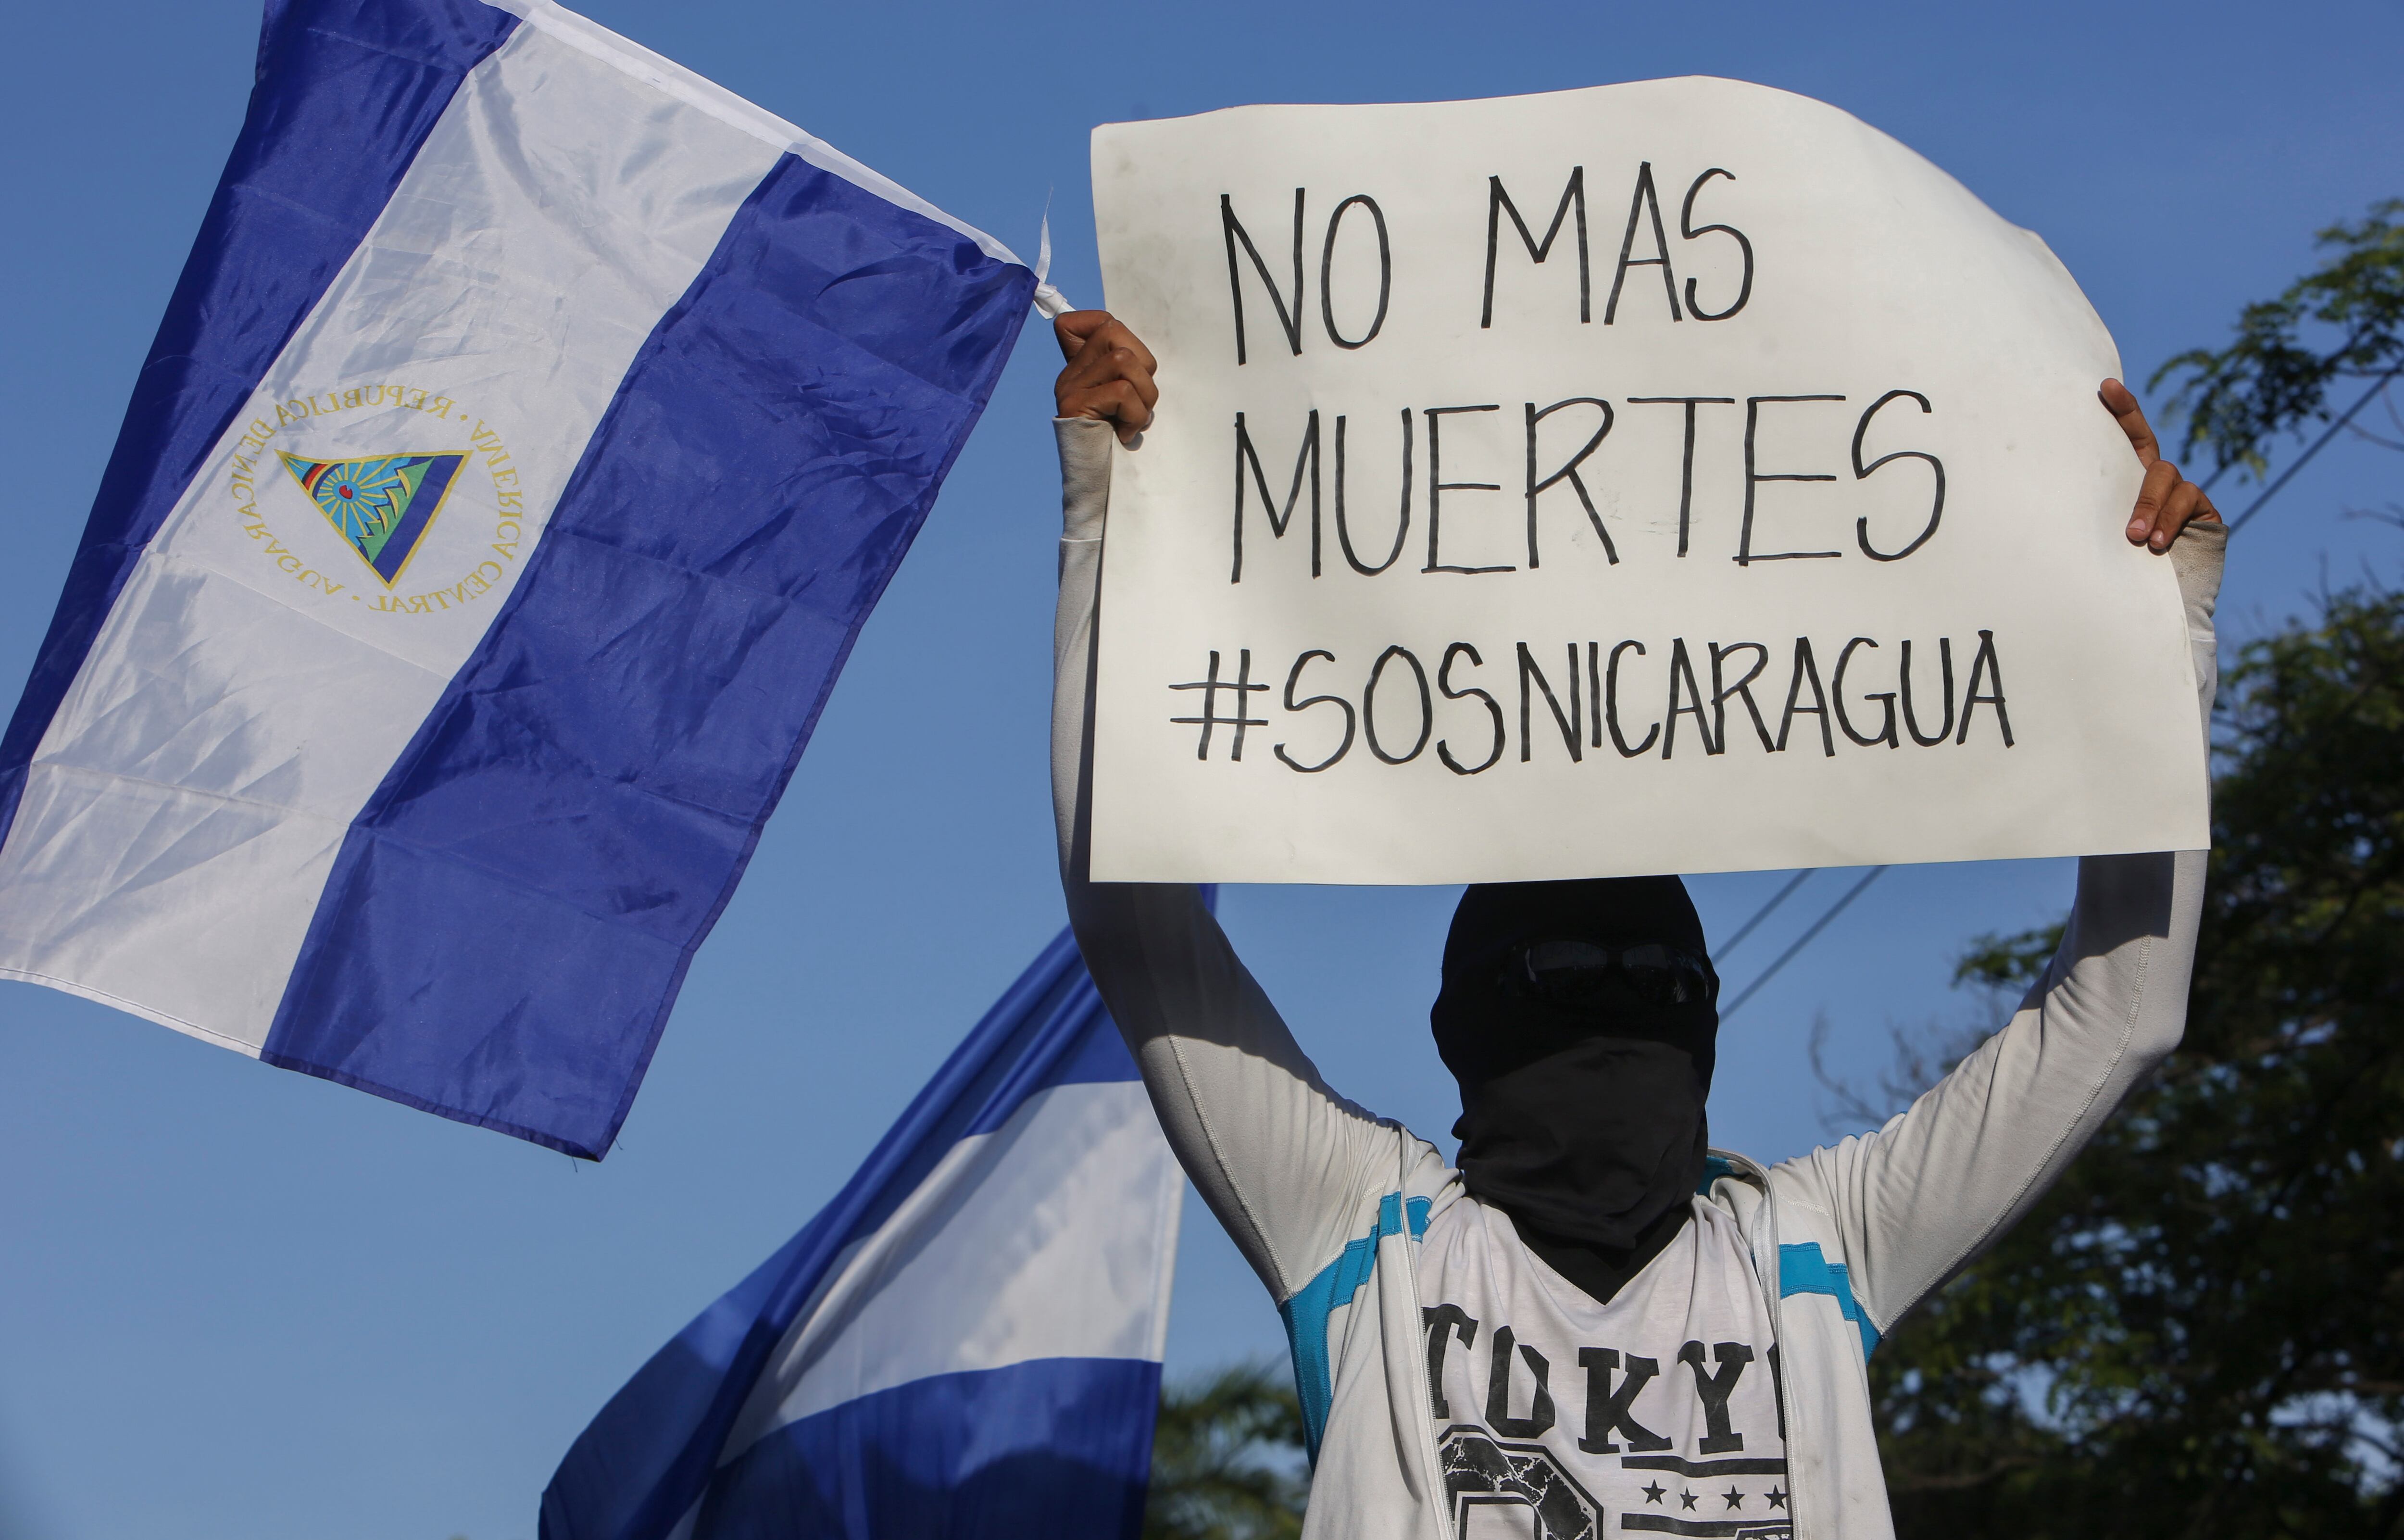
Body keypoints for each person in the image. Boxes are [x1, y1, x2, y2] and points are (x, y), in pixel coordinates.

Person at [1047, 309, 2224, 1540]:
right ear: (1466, 1021)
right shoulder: (1363, 1231)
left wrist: (2159, 640)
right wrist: (1106, 513)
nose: (1624, 1006)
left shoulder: (1813, 1248)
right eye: (1565, 974)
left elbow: (2125, 1014)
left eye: (1666, 984)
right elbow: (1130, 917)